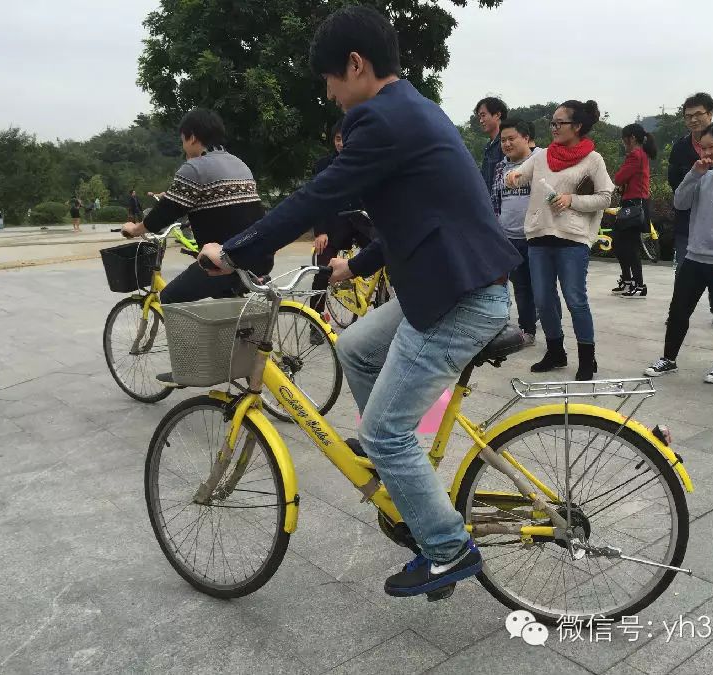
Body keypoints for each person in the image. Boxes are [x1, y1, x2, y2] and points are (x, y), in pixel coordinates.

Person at [198, 6, 520, 598]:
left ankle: (447, 548)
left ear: (355, 64)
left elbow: (320, 193)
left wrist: (238, 249)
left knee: (388, 430)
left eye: (329, 81)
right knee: (353, 346)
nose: (330, 95)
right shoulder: (412, 110)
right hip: (452, 284)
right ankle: (396, 466)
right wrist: (357, 264)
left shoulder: (381, 118)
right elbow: (418, 219)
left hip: (460, 297)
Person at [121, 107, 271, 310]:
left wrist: (134, 229)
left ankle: (188, 343)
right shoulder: (239, 163)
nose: (183, 146)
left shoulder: (194, 167)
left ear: (192, 138)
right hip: (259, 259)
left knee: (168, 298)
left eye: (183, 140)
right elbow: (220, 201)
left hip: (228, 261)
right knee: (225, 305)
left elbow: (162, 215)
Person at [644, 121, 713, 384]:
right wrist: (694, 173)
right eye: (702, 148)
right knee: (678, 311)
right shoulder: (704, 175)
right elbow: (680, 202)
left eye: (712, 147)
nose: (706, 154)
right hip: (694, 256)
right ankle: (668, 358)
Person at [506, 100, 613, 379]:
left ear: (577, 126)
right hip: (540, 235)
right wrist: (513, 176)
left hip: (572, 238)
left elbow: (605, 197)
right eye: (552, 123)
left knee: (575, 298)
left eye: (559, 123)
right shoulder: (542, 156)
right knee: (543, 299)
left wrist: (572, 199)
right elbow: (520, 174)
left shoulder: (593, 159)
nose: (553, 128)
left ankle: (587, 358)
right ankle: (555, 351)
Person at [309, 118, 373, 314]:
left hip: (360, 222)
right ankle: (316, 320)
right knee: (323, 272)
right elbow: (316, 200)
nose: (341, 143)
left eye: (345, 139)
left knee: (388, 253)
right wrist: (320, 232)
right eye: (338, 138)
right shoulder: (323, 166)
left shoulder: (365, 163)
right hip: (333, 225)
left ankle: (383, 299)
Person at [492, 118, 540, 345]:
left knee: (542, 288)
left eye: (512, 139)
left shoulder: (540, 161)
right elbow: (496, 200)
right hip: (509, 237)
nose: (507, 144)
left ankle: (553, 334)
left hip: (536, 237)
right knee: (520, 286)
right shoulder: (501, 166)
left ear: (527, 139)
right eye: (503, 140)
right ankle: (527, 330)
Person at [611, 123, 658, 299]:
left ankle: (638, 285)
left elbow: (619, 178)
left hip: (634, 205)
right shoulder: (641, 155)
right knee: (620, 243)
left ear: (631, 138)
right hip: (635, 203)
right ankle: (628, 280)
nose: (623, 143)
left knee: (629, 246)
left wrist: (621, 183)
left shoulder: (635, 155)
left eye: (624, 139)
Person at [669, 93, 713, 267]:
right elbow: (674, 183)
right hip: (687, 224)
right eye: (688, 116)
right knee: (683, 279)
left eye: (698, 114)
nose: (693, 120)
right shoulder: (680, 148)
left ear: (710, 114)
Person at [475, 96, 508, 195]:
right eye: (479, 117)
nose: (481, 120)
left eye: (483, 115)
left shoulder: (507, 144)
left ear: (497, 115)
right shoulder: (489, 146)